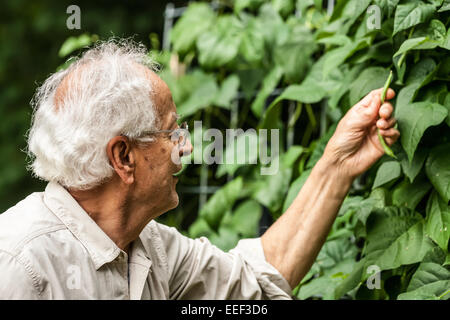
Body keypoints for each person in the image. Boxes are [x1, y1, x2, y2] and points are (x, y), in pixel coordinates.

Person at [0, 40, 399, 299]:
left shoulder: (148, 246)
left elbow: (256, 282)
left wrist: (338, 165)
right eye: (173, 133)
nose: (187, 147)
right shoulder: (19, 265)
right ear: (123, 157)